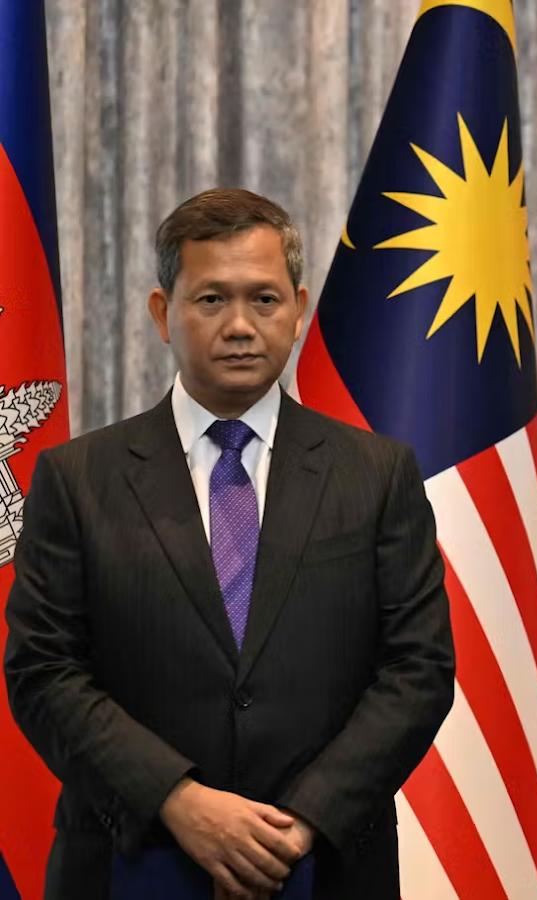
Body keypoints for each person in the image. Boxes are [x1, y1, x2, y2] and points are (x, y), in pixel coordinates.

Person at [4, 188, 455, 899]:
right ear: (163, 313)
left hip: (325, 864)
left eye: (264, 300)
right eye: (211, 299)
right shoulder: (77, 478)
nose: (240, 325)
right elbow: (43, 670)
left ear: (298, 310)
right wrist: (178, 800)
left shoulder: (377, 475)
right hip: (129, 860)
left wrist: (299, 825)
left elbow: (418, 670)